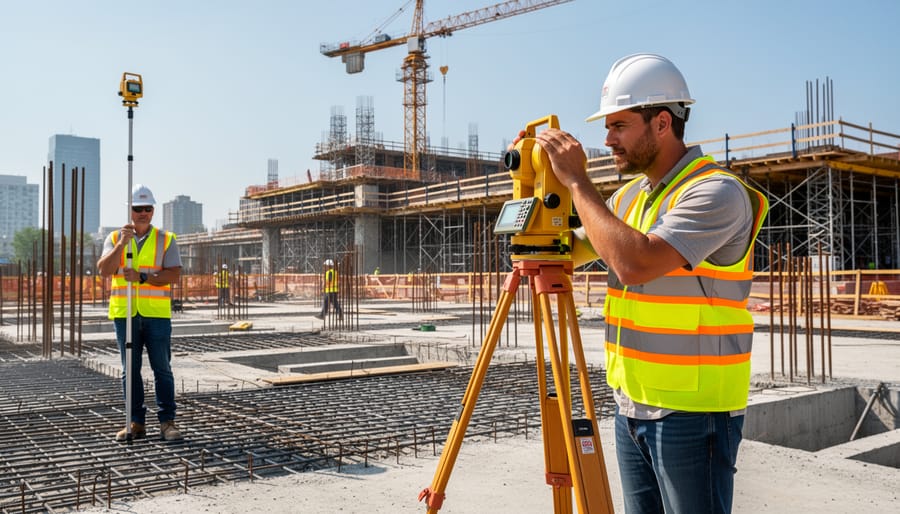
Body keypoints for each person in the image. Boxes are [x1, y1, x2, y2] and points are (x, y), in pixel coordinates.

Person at [533, 54, 768, 513]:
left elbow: (634, 262)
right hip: (631, 403)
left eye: (619, 126)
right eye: (608, 127)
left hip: (693, 412)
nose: (607, 140)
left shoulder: (715, 191)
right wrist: (535, 188)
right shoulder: (630, 197)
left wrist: (577, 181)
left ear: (662, 123)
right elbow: (569, 251)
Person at [97, 184, 184, 442]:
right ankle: (135, 422)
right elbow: (104, 270)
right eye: (138, 208)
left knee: (162, 369)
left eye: (147, 208)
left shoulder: (166, 239)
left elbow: (174, 274)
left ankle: (167, 422)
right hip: (125, 315)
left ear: (153, 210)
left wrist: (143, 277)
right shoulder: (115, 238)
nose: (143, 213)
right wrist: (121, 245)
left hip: (156, 315)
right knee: (130, 371)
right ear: (130, 211)